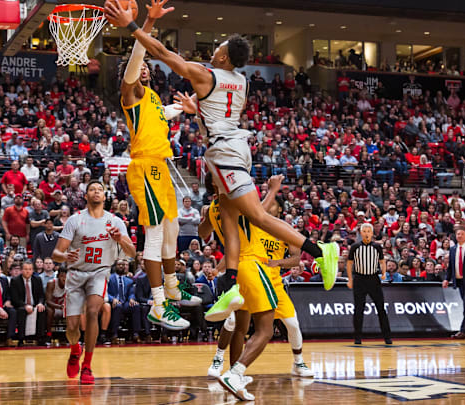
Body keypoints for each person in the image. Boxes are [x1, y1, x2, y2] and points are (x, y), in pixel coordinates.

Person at [106, 1, 338, 329]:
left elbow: (161, 53)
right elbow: (209, 109)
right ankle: (229, 288)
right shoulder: (239, 82)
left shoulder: (205, 75)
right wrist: (194, 110)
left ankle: (319, 249)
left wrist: (135, 25)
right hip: (218, 154)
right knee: (226, 217)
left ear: (224, 57)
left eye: (217, 48)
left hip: (222, 156)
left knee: (253, 215)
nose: (212, 51)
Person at [117, 0, 200, 333]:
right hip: (144, 167)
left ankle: (171, 287)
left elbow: (167, 113)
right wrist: (146, 25)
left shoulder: (152, 100)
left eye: (149, 67)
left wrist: (189, 108)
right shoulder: (131, 95)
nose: (145, 69)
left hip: (161, 168)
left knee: (172, 232)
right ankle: (157, 305)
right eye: (141, 68)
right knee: (153, 237)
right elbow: (134, 64)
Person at [198, 174, 311, 400]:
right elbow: (258, 215)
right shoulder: (235, 198)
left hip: (235, 269)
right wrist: (273, 189)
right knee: (265, 330)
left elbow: (202, 233)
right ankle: (236, 373)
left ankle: (234, 378)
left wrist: (210, 216)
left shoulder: (213, 207)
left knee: (241, 326)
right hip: (252, 265)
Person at [52, 180, 136, 385]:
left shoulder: (115, 221)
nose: (96, 192)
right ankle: (75, 349)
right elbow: (56, 253)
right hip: (75, 274)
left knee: (92, 311)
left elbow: (132, 253)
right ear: (86, 195)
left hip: (99, 272)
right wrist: (65, 257)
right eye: (92, 189)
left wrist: (121, 240)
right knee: (71, 328)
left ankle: (87, 365)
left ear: (105, 196)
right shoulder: (75, 220)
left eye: (100, 189)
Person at [347, 223, 392, 345]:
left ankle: (387, 337)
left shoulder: (377, 247)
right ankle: (357, 338)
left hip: (373, 279)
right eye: (364, 231)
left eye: (369, 231)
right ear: (361, 233)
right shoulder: (355, 247)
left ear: (372, 233)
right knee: (358, 309)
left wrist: (383, 273)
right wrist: (350, 279)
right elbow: (349, 264)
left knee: (381, 309)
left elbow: (382, 262)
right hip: (359, 279)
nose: (366, 234)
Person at [9, 261, 46, 346]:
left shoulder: (37, 279)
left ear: (33, 270)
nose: (28, 271)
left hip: (35, 304)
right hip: (21, 305)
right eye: (25, 269)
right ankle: (21, 339)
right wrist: (25, 305)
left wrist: (40, 303)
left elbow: (41, 295)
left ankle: (40, 338)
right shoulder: (15, 281)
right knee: (21, 311)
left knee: (42, 310)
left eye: (30, 269)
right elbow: (15, 299)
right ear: (21, 270)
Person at [107, 258, 141, 344]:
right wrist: (112, 299)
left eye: (123, 265)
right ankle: (114, 335)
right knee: (117, 306)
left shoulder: (129, 280)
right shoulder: (109, 278)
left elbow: (131, 293)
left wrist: (131, 299)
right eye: (119, 265)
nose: (121, 266)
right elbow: (105, 292)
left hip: (125, 302)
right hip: (113, 302)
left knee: (135, 306)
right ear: (115, 266)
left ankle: (135, 334)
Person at [45, 267, 67, 343]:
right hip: (52, 306)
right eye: (62, 276)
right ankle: (48, 334)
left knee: (72, 310)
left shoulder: (70, 285)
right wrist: (60, 307)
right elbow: (48, 301)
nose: (64, 279)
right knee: (50, 311)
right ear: (58, 276)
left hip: (63, 307)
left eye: (66, 277)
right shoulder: (51, 283)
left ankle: (68, 335)